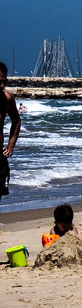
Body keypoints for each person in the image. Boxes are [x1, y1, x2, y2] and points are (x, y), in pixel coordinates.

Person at [0, 61, 19, 209]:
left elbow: (16, 121)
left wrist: (11, 145)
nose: (2, 85)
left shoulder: (7, 99)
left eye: (4, 82)